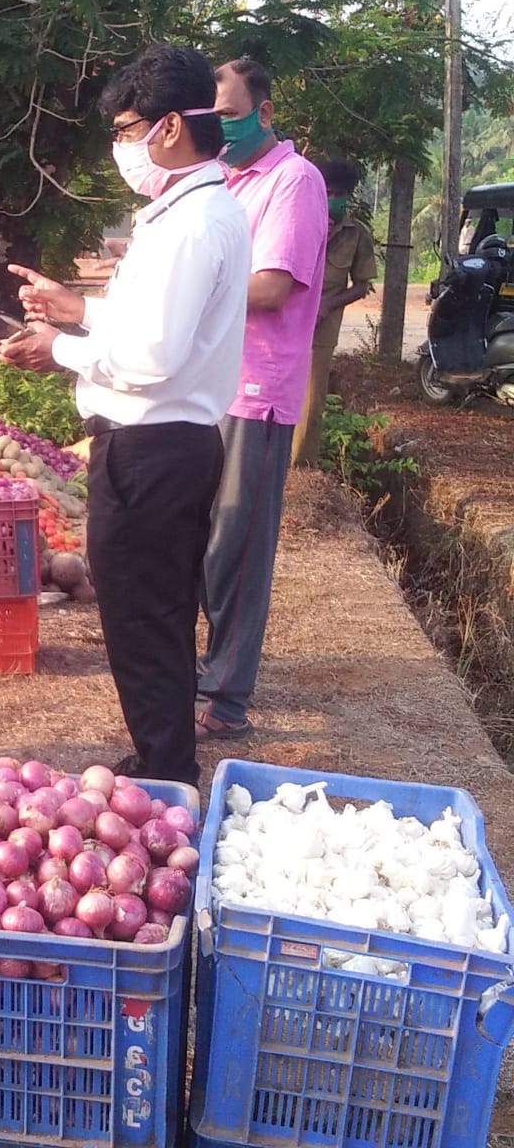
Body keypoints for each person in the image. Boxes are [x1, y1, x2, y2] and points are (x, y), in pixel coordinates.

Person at [0, 44, 250, 786]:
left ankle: (166, 773)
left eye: (124, 129)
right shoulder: (186, 212)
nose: (120, 148)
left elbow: (154, 356)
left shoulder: (193, 223)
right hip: (167, 442)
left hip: (152, 447)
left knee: (144, 619)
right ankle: (161, 755)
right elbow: (151, 325)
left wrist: (61, 348)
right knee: (153, 613)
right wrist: (80, 313)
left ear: (170, 126)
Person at [194, 58, 328, 739]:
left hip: (256, 388)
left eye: (230, 114)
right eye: (209, 116)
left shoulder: (292, 182)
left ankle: (227, 695)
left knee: (237, 547)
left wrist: (189, 289)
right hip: (207, 383)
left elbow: (272, 286)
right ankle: (201, 672)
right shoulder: (222, 180)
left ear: (266, 112)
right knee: (199, 538)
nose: (220, 127)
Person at [291, 159, 377, 467]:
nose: (332, 199)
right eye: (327, 192)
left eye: (339, 193)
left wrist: (328, 304)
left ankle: (300, 466)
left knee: (312, 402)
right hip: (284, 321)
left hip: (322, 328)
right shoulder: (292, 220)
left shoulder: (357, 235)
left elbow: (362, 285)